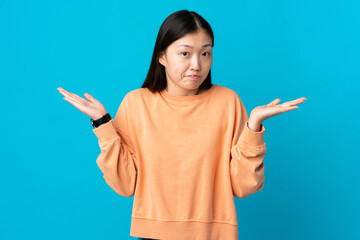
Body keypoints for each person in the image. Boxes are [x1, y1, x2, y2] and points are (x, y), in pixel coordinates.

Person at [57, 9, 307, 240]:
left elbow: (244, 186)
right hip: (152, 234)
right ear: (162, 56)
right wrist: (103, 123)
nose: (197, 65)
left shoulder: (227, 102)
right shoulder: (137, 103)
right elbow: (125, 184)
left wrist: (253, 127)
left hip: (214, 235)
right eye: (185, 53)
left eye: (205, 53)